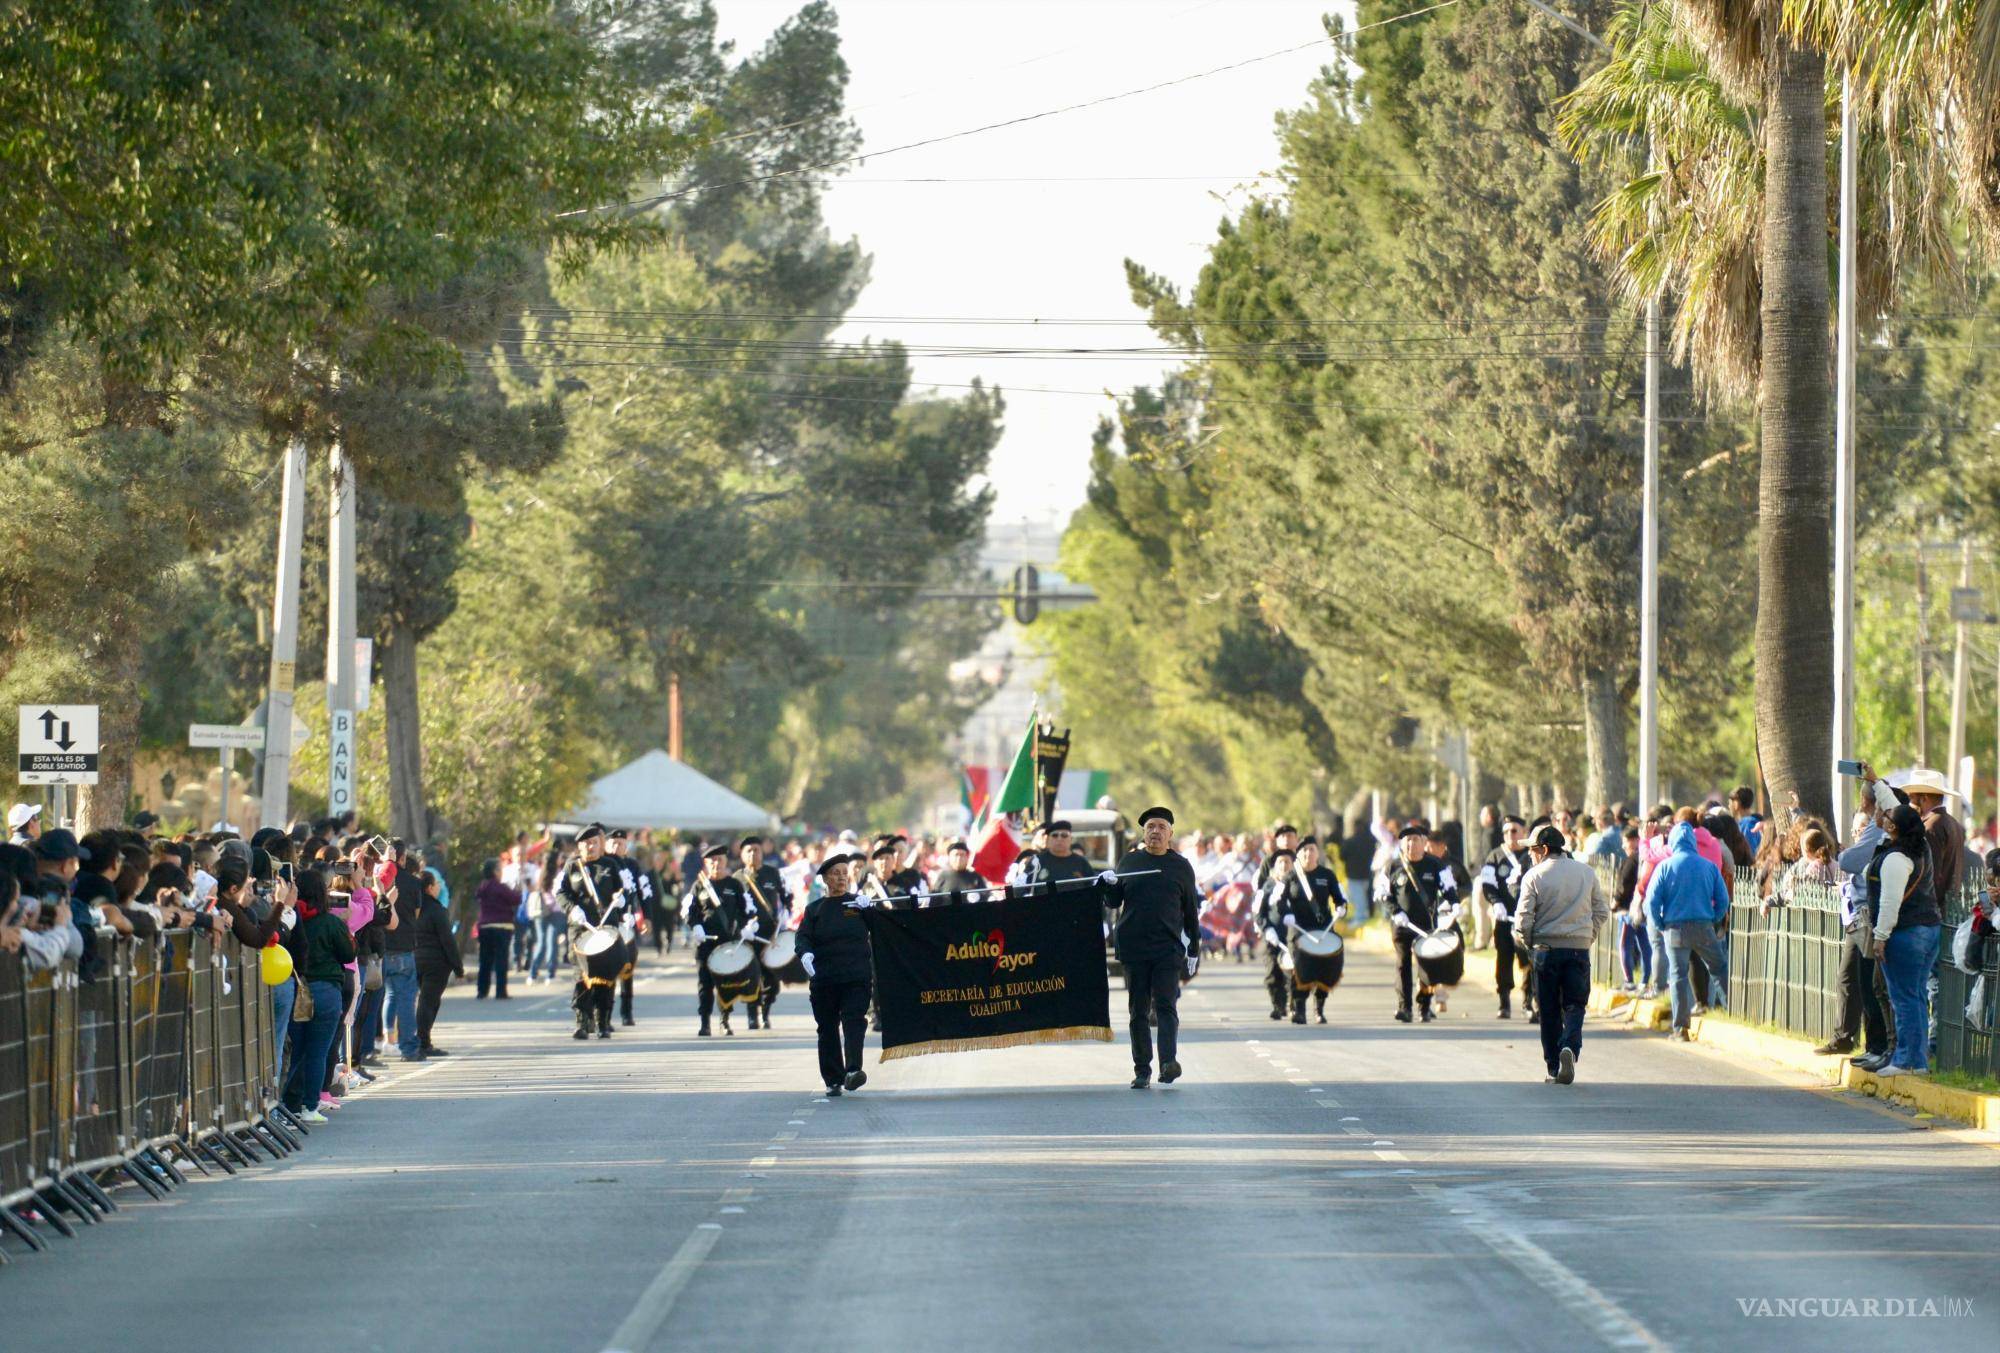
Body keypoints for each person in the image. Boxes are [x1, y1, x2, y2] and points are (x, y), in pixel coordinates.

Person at [1099, 806, 1201, 1090]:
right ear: (1144, 833)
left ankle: (1168, 1062)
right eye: (1150, 827)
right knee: (1138, 1010)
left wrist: (1194, 946)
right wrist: (1107, 885)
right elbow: (1113, 901)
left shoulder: (1181, 866)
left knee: (1166, 1006)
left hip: (1167, 947)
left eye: (1161, 827)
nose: (1155, 831)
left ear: (1170, 833)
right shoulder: (1130, 862)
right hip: (1133, 947)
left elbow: (1190, 909)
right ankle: (1142, 1069)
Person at [1514, 825, 1610, 1085]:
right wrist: (1585, 937)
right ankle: (1570, 1047)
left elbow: (1523, 920)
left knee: (1548, 1010)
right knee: (1575, 1004)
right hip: (1578, 950)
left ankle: (1554, 1066)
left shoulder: (1534, 876)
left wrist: (1530, 943)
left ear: (1544, 850)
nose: (1531, 855)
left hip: (1545, 950)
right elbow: (1602, 912)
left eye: (1533, 850)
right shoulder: (1586, 873)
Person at [1863, 789, 1945, 1078]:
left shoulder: (1897, 859)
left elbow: (1889, 903)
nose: (1883, 817)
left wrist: (1881, 938)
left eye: (1887, 818)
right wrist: (1876, 783)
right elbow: (1897, 809)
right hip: (1928, 930)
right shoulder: (1918, 846)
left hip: (1905, 934)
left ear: (1894, 828)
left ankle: (1907, 1060)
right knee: (1917, 997)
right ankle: (1918, 1061)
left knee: (1904, 999)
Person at [1645, 820, 1731, 1040]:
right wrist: (1714, 919)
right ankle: (1730, 1012)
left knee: (1678, 976)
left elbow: (1652, 901)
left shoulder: (1665, 866)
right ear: (1692, 842)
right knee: (1718, 968)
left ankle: (1680, 1028)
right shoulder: (1708, 866)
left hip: (1675, 929)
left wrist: (1661, 924)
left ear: (1673, 841)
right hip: (1704, 926)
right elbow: (1723, 900)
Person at [797, 853, 874, 1095]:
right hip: (825, 979)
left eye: (844, 873)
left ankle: (853, 1070)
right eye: (836, 874)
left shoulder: (857, 905)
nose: (841, 878)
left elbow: (882, 929)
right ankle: (833, 1078)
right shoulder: (815, 910)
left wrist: (870, 910)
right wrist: (805, 954)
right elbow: (803, 937)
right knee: (827, 1027)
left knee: (854, 1021)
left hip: (856, 977)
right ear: (826, 880)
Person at [283, 869, 353, 1125]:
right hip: (326, 991)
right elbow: (347, 954)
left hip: (297, 988)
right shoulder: (331, 923)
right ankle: (310, 1105)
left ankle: (286, 1103)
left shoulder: (290, 918)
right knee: (318, 1052)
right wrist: (345, 924)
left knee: (295, 1050)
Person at [682, 843, 766, 1035]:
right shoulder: (698, 886)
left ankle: (724, 1020)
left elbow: (749, 910)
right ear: (706, 863)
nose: (716, 864)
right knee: (705, 984)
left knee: (726, 983)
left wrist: (749, 926)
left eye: (720, 860)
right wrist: (695, 926)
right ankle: (704, 1023)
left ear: (726, 862)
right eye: (712, 861)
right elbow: (689, 911)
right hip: (705, 943)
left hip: (729, 943)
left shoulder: (734, 885)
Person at [1377, 825, 1458, 1023]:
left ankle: (1424, 1005)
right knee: (1402, 963)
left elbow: (1449, 889)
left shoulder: (1436, 866)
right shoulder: (1392, 867)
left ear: (1424, 843)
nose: (1411, 844)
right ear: (1402, 844)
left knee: (1426, 965)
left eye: (1415, 840)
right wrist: (1395, 911)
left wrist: (1454, 905)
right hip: (1402, 925)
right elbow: (1382, 894)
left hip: (1427, 924)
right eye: (1407, 840)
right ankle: (1404, 1007)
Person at [561, 825, 630, 1040]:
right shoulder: (572, 867)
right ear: (579, 847)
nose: (590, 847)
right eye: (586, 844)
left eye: (594, 843)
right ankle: (582, 1021)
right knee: (581, 976)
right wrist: (572, 909)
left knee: (605, 977)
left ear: (600, 845)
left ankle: (603, 1022)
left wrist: (622, 902)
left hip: (605, 929)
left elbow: (622, 890)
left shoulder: (610, 865)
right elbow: (562, 893)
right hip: (580, 929)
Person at [1476, 816, 1537, 1022]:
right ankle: (1504, 1001)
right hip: (1504, 918)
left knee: (1529, 962)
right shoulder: (1494, 856)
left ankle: (1528, 1001)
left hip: (1527, 919)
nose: (1510, 835)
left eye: (1514, 830)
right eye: (1506, 831)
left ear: (1524, 832)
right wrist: (1496, 902)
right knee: (1504, 958)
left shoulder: (1531, 855)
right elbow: (1488, 883)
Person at [1284, 836, 1344, 1023]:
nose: (1308, 853)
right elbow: (1278, 901)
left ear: (1317, 853)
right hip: (1299, 929)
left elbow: (1339, 898)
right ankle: (1299, 1008)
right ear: (1298, 854)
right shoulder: (1291, 877)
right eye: (1304, 850)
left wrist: (1342, 907)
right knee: (1301, 968)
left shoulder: (1327, 875)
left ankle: (1319, 1008)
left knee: (1326, 967)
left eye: (1311, 849)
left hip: (1323, 929)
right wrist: (1286, 913)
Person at [735, 836, 787, 1027]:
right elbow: (731, 907)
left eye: (756, 850)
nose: (753, 854)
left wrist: (786, 913)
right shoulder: (737, 878)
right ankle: (752, 1015)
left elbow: (787, 896)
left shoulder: (773, 874)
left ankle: (766, 1008)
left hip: (769, 933)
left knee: (772, 977)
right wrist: (740, 927)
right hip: (747, 935)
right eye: (748, 850)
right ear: (742, 855)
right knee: (750, 975)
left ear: (762, 852)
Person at [411, 867, 463, 1058]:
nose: (438, 888)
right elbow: (447, 941)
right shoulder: (436, 910)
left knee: (420, 1001)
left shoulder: (412, 908)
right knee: (428, 1002)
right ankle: (423, 1042)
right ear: (430, 888)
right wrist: (458, 967)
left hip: (414, 958)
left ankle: (416, 1039)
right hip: (436, 963)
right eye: (436, 884)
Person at [606, 829, 651, 1025]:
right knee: (607, 970)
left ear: (626, 846)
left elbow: (644, 891)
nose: (617, 847)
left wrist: (646, 917)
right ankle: (604, 1015)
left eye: (621, 843)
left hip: (628, 922)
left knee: (628, 966)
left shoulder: (632, 865)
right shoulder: (604, 864)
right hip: (607, 921)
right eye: (613, 843)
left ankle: (627, 1011)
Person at [1255, 848, 1302, 1021]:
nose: (1284, 865)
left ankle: (1295, 1005)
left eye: (1287, 862)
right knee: (1273, 972)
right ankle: (1278, 1005)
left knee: (1295, 973)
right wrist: (1267, 929)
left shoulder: (1300, 885)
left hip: (1295, 937)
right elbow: (1258, 912)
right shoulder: (1267, 886)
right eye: (1280, 862)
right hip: (1273, 937)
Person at [473, 858, 518, 1000]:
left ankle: (482, 990)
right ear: (495, 871)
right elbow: (516, 899)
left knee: (485, 960)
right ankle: (500, 991)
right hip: (501, 927)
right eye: (500, 869)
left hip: (484, 927)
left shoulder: (482, 887)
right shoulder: (500, 887)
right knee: (501, 960)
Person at [1020, 819, 1096, 896]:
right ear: (1048, 839)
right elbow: (1023, 888)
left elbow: (1093, 887)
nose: (1059, 839)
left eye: (1064, 835)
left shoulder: (1081, 862)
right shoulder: (1036, 861)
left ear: (1071, 839)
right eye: (1055, 835)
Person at [928, 840, 990, 905]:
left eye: (962, 855)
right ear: (949, 857)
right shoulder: (943, 876)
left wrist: (978, 896)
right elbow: (934, 900)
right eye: (956, 855)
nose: (959, 858)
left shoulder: (975, 876)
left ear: (967, 858)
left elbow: (985, 896)